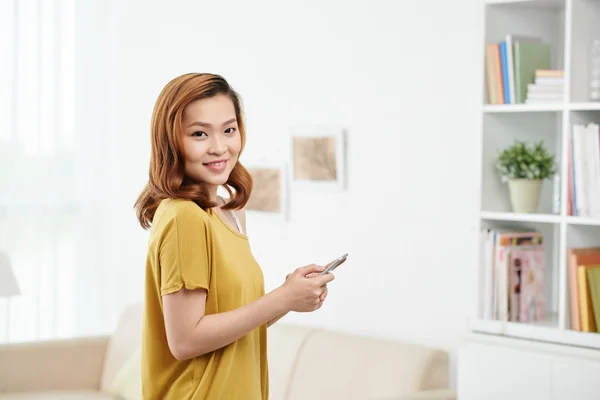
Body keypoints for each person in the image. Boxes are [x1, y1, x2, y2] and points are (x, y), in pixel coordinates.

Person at [133, 73, 337, 400]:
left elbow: (229, 329)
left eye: (229, 130)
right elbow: (185, 341)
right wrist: (282, 297)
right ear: (171, 140)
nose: (219, 147)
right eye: (199, 133)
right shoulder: (183, 216)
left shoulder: (228, 211)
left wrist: (291, 296)